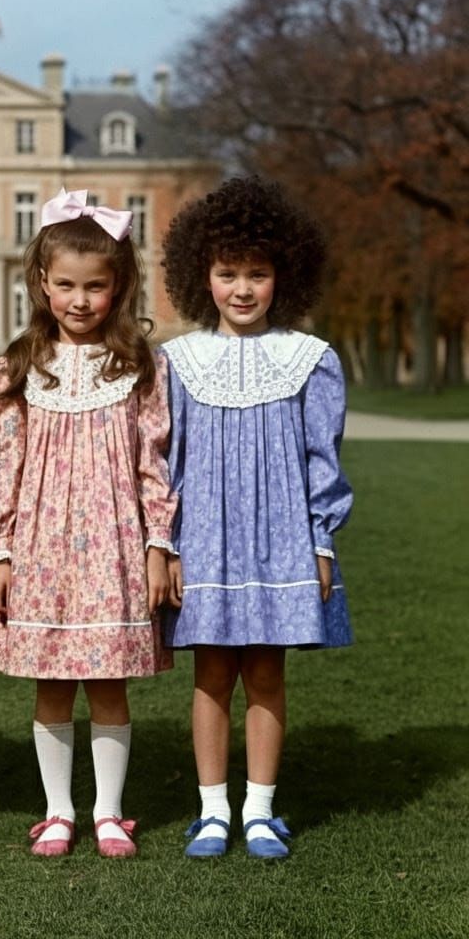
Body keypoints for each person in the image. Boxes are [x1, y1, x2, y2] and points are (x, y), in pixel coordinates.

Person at [160, 175, 354, 860]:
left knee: (267, 673)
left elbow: (319, 463)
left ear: (283, 276)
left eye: (257, 273)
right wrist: (167, 548)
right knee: (211, 673)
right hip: (203, 543)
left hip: (281, 544)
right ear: (200, 276)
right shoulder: (179, 364)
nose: (242, 288)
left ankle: (262, 810)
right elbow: (166, 465)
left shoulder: (308, 361)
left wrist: (321, 544)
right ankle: (213, 811)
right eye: (227, 273)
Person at [0, 188, 177, 858]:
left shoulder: (138, 368)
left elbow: (153, 465)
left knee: (109, 680)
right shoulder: (18, 369)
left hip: (114, 546)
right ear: (41, 282)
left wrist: (159, 544)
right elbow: (5, 468)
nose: (79, 300)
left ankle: (109, 812)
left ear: (116, 286)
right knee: (54, 682)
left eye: (94, 287)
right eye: (65, 284)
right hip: (41, 546)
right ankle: (58, 809)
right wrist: (1, 553)